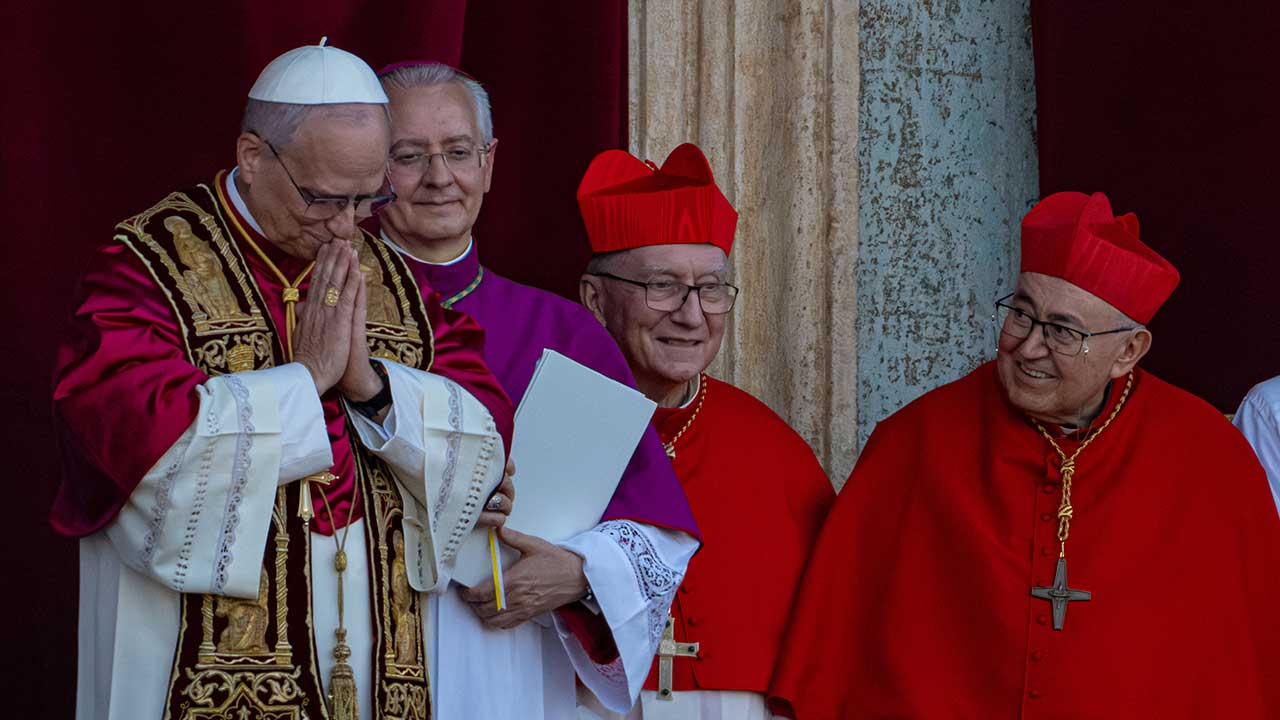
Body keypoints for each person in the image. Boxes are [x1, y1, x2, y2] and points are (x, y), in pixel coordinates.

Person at [52, 41, 517, 720]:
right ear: (252, 157)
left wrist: (371, 387)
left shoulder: (392, 277)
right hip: (187, 653)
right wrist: (304, 384)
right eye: (324, 198)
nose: (347, 227)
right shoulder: (150, 267)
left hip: (375, 655)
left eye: (368, 198)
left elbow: (485, 430)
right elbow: (132, 445)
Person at [770, 191, 1280, 718]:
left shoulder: (1211, 460)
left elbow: (1243, 670)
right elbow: (834, 663)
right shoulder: (915, 442)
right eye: (1021, 314)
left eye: (1062, 331)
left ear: (1128, 352)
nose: (1029, 347)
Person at [371, 60, 702, 718]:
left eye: (459, 152)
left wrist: (581, 574)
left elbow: (660, 533)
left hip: (505, 658)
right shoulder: (322, 309)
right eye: (408, 156)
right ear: (368, 168)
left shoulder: (563, 331)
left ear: (489, 164)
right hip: (357, 637)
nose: (440, 178)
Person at [574, 143, 834, 720]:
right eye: (662, 286)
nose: (692, 315)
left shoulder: (778, 455)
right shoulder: (541, 428)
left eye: (711, 289)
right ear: (596, 299)